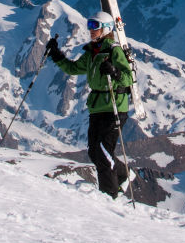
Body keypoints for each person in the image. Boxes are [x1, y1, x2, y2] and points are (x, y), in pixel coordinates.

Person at [47, 11, 134, 198]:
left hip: (114, 107)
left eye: (95, 26)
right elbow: (72, 68)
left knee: (103, 152)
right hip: (97, 108)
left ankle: (109, 194)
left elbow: (128, 77)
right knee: (94, 152)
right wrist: (55, 54)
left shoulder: (114, 51)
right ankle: (122, 174)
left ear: (106, 29)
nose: (90, 30)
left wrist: (115, 72)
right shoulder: (92, 53)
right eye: (89, 25)